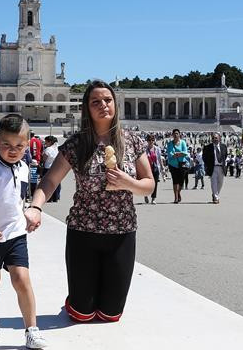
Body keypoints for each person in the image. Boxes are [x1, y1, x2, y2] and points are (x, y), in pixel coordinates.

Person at [27, 80, 154, 324]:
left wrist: (129, 183)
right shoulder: (77, 144)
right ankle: (77, 299)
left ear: (115, 104)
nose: (103, 105)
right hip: (83, 231)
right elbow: (50, 181)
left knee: (110, 314)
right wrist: (35, 207)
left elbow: (149, 183)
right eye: (96, 102)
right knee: (82, 313)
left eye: (107, 100)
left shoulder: (132, 141)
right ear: (87, 108)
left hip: (121, 231)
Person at [0, 114, 48, 349]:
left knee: (22, 280)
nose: (13, 150)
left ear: (27, 145)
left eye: (19, 146)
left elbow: (18, 199)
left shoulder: (25, 168)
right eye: (7, 145)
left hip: (15, 234)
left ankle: (31, 329)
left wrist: (28, 215)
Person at [202, 132, 228, 204]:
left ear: (219, 138)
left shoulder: (224, 146)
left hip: (221, 167)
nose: (214, 139)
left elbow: (225, 156)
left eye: (216, 138)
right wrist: (208, 165)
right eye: (213, 138)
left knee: (220, 183)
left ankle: (215, 194)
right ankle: (216, 197)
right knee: (214, 183)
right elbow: (204, 157)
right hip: (213, 167)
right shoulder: (207, 147)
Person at [166, 129, 189, 204]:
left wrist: (176, 154)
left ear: (179, 134)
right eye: (174, 134)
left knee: (181, 182)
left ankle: (178, 192)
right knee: (175, 181)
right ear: (172, 135)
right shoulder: (170, 144)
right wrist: (179, 154)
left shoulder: (183, 142)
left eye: (177, 133)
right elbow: (170, 154)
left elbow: (185, 153)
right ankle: (176, 197)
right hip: (173, 165)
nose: (176, 135)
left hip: (182, 164)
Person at [41, 136, 61, 202]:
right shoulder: (58, 148)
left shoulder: (48, 149)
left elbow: (44, 159)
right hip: (57, 167)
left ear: (50, 142)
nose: (45, 143)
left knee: (47, 183)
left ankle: (49, 198)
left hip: (48, 167)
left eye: (46, 142)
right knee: (57, 183)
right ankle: (56, 197)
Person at [144, 134, 160, 204]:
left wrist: (163, 170)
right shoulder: (144, 149)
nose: (151, 141)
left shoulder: (157, 149)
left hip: (155, 168)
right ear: (147, 141)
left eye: (152, 140)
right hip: (147, 168)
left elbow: (159, 160)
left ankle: (153, 198)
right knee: (146, 183)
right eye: (149, 140)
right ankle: (145, 194)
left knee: (155, 184)